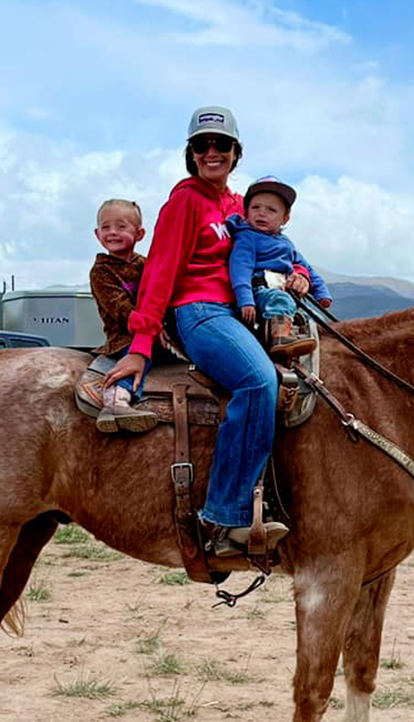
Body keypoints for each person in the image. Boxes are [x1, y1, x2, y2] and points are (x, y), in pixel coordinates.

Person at [104, 107, 289, 558]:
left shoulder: (235, 205)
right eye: (202, 145)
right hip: (200, 312)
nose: (212, 152)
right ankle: (224, 519)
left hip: (238, 310)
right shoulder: (184, 202)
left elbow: (264, 250)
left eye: (221, 145)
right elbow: (161, 274)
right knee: (258, 382)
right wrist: (141, 345)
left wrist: (298, 274)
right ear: (191, 154)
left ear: (235, 153)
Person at [227, 175, 332, 361]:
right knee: (280, 300)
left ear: (285, 218)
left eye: (271, 210)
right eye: (255, 208)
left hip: (282, 290)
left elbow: (306, 267)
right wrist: (245, 300)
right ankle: (281, 339)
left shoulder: (286, 243)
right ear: (246, 212)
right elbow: (240, 268)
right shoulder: (247, 238)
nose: (261, 213)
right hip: (260, 291)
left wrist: (322, 293)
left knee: (312, 317)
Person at [89, 199, 157, 433]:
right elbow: (120, 309)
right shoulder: (101, 272)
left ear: (139, 234)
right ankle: (117, 396)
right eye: (106, 227)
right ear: (97, 234)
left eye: (121, 226)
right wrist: (150, 325)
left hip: (150, 328)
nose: (113, 233)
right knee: (139, 357)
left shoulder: (146, 264)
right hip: (124, 335)